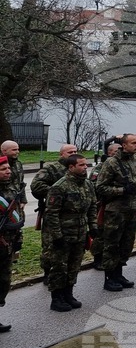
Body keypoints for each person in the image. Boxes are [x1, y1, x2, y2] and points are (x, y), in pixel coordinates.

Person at [43, 153, 96, 312]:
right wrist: (57, 236)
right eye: (81, 165)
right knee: (60, 266)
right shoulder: (60, 186)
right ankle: (57, 298)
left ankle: (68, 294)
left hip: (80, 233)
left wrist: (92, 226)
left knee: (74, 265)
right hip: (64, 234)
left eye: (86, 165)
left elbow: (93, 206)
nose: (85, 167)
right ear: (71, 167)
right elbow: (51, 214)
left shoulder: (87, 184)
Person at [95, 133, 136, 292]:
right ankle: (109, 277)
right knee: (112, 245)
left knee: (126, 244)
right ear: (124, 145)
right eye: (133, 143)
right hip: (115, 212)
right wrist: (121, 190)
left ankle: (119, 273)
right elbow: (100, 188)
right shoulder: (112, 163)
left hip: (132, 209)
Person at [31, 143, 77, 283]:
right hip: (54, 212)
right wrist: (56, 192)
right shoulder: (52, 168)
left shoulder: (76, 168)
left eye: (75, 151)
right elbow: (36, 185)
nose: (73, 154)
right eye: (70, 152)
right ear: (61, 154)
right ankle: (47, 272)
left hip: (72, 215)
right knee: (50, 244)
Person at [0, 155, 25, 332]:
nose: (9, 171)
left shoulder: (11, 189)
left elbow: (17, 216)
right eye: (3, 169)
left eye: (8, 168)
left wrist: (17, 241)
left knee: (3, 280)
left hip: (7, 242)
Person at [0, 141, 26, 207]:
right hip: (3, 202)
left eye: (18, 149)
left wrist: (23, 200)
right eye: (14, 150)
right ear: (4, 151)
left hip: (16, 202)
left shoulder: (18, 164)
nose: (17, 152)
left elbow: (21, 183)